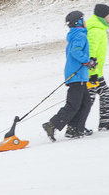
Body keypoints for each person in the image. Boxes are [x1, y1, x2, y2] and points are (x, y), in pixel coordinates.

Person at [42, 11, 95, 141]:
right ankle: (52, 124)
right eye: (83, 19)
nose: (85, 21)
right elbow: (75, 51)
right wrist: (87, 61)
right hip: (77, 74)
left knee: (85, 103)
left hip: (78, 74)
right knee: (74, 104)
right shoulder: (80, 35)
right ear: (78, 22)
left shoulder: (75, 34)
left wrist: (88, 60)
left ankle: (75, 128)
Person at [85, 4, 109, 131]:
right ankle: (76, 125)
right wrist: (92, 72)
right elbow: (91, 52)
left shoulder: (99, 28)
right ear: (103, 16)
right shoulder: (95, 30)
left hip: (96, 71)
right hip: (92, 73)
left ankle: (105, 122)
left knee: (103, 93)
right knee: (88, 99)